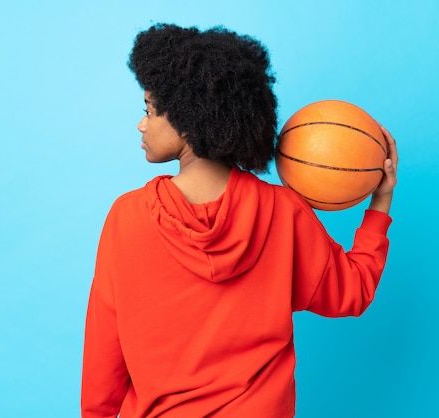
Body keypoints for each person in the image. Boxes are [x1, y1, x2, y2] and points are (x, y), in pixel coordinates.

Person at [81, 23, 398, 418]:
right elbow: (353, 290)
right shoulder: (284, 212)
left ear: (186, 117)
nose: (141, 124)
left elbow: (104, 354)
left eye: (148, 109)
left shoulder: (126, 217)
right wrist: (379, 202)